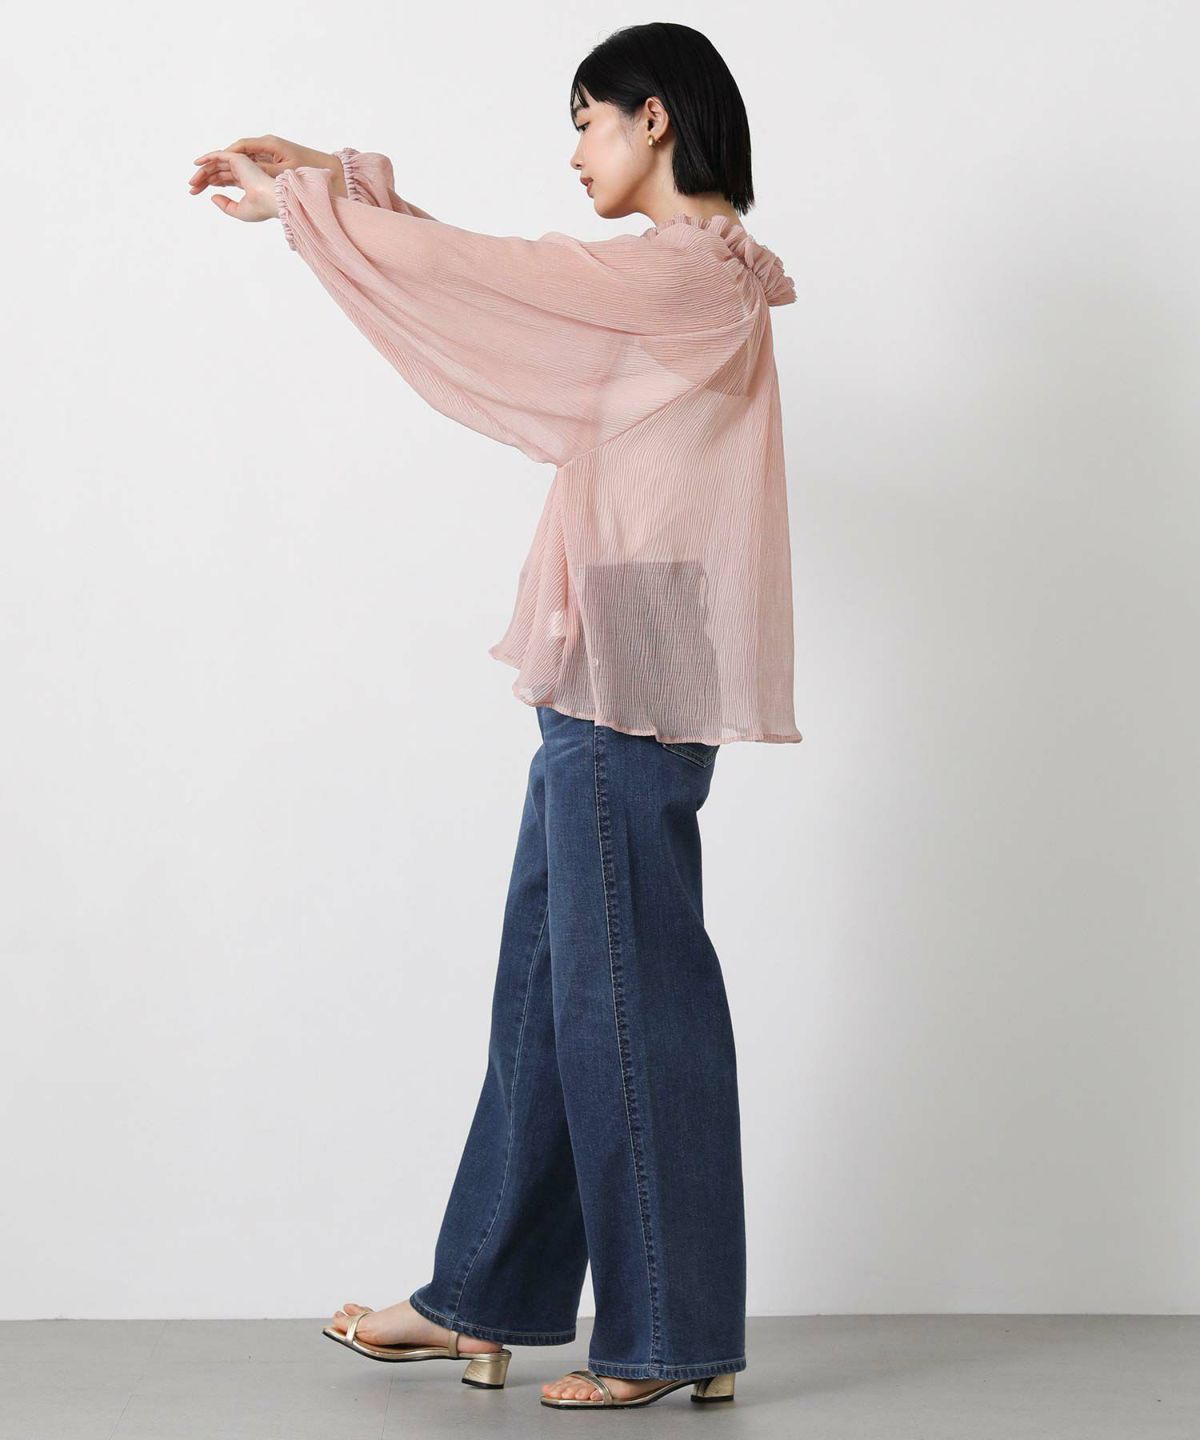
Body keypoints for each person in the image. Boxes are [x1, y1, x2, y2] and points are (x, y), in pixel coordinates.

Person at [189, 20, 800, 1412]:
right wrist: (333, 181)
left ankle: (669, 1332)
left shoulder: (686, 269)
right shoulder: (688, 275)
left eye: (587, 120)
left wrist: (314, 205)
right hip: (627, 634)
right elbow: (494, 271)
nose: (576, 150)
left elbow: (491, 276)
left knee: (624, 995)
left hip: (636, 654)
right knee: (550, 984)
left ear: (655, 117)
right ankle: (482, 1295)